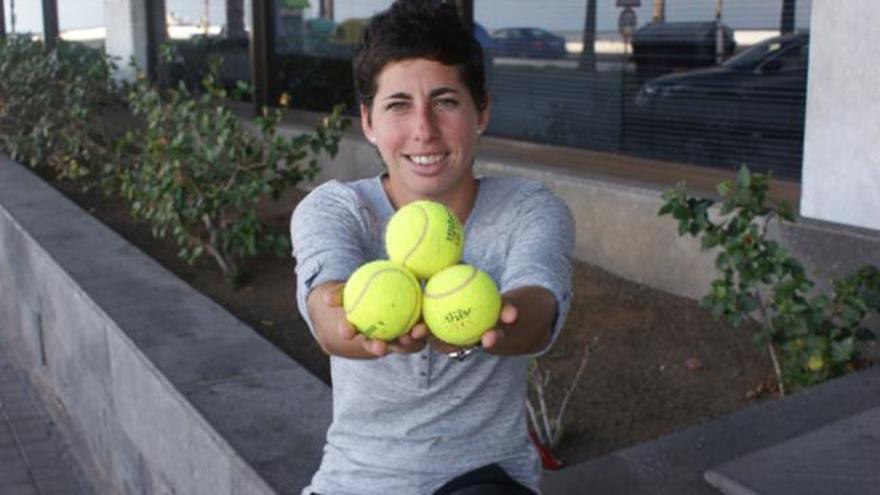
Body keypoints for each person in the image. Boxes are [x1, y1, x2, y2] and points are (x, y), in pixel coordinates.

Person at [290, 1, 574, 493]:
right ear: (368, 121)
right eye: (398, 105)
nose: (423, 128)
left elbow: (538, 310)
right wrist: (351, 323)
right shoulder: (333, 208)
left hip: (483, 479)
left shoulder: (530, 208)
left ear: (480, 111)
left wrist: (491, 321)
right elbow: (328, 315)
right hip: (352, 480)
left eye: (445, 101)